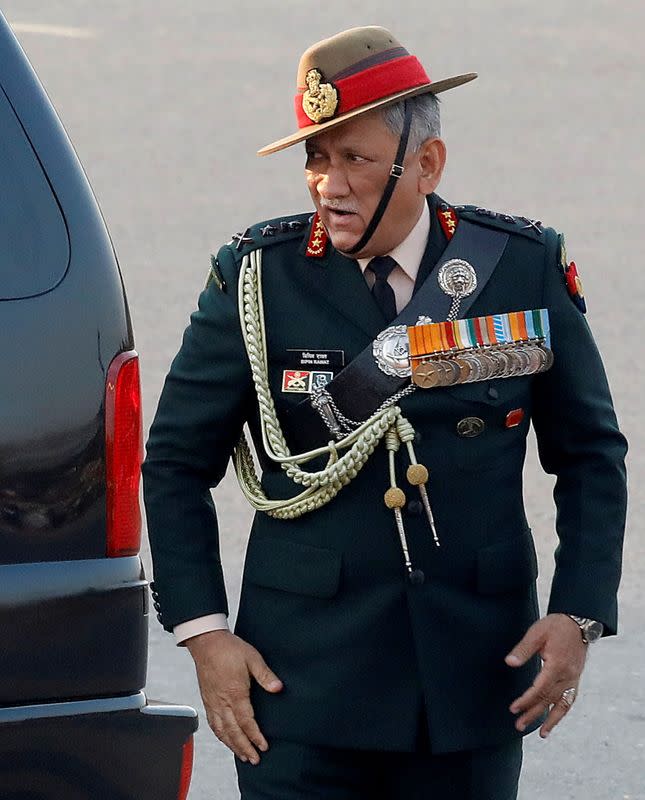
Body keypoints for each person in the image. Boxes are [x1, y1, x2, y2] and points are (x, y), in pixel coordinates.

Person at [142, 26, 627, 800]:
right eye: (316, 159)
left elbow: (591, 455)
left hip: (471, 683)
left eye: (355, 160)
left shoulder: (520, 267)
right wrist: (204, 635)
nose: (328, 186)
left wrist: (578, 613)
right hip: (296, 692)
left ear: (426, 164)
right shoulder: (255, 281)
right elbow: (173, 465)